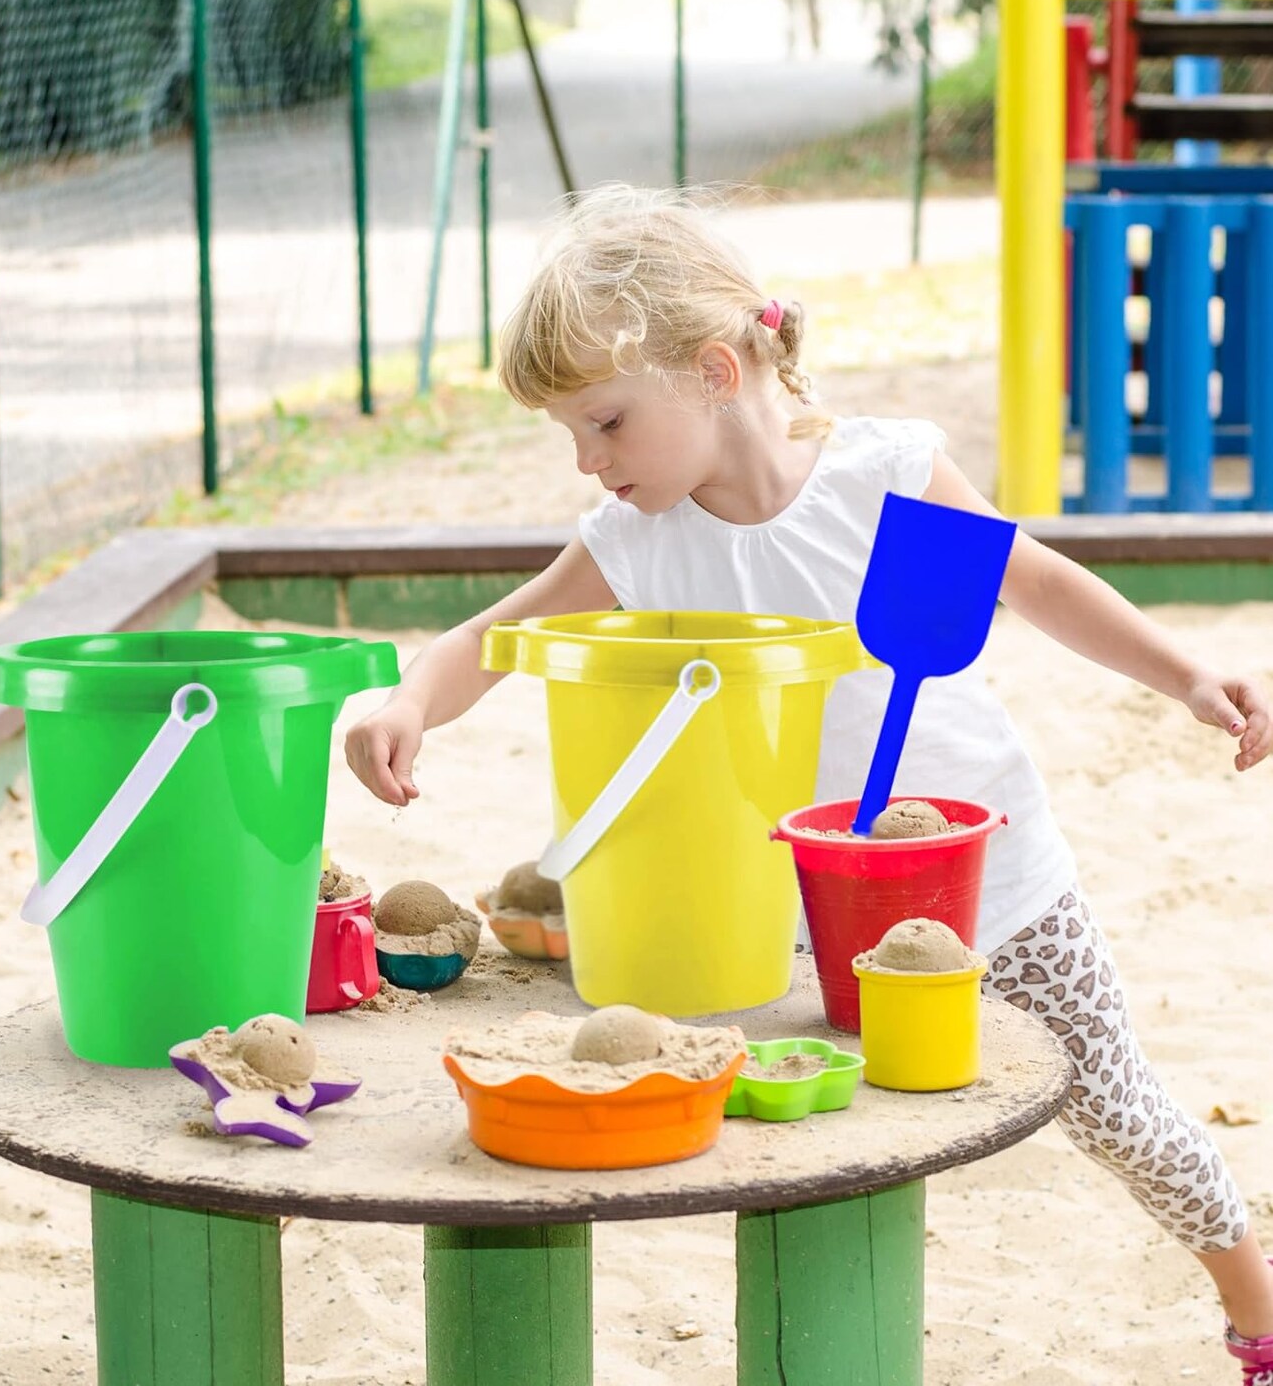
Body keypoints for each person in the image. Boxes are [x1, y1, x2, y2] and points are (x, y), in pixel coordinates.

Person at [344, 184, 1273, 1377]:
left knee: (1116, 1112)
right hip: (794, 917)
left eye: (607, 422)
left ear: (716, 372)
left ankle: (1255, 1309)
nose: (587, 460)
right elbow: (495, 636)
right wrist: (411, 700)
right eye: (569, 433)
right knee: (819, 1156)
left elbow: (1033, 581)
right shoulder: (638, 541)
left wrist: (1187, 675)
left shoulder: (883, 476)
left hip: (994, 889)